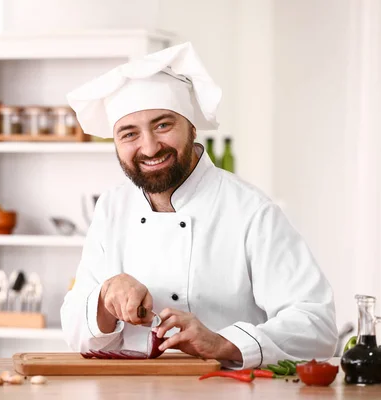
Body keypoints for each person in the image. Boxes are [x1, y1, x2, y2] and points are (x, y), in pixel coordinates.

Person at [59, 42, 338, 369]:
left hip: (228, 389)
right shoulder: (112, 208)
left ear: (191, 126)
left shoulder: (249, 210)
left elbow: (318, 326)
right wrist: (105, 300)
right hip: (130, 389)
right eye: (129, 134)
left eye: (163, 125)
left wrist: (223, 342)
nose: (149, 147)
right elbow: (74, 330)